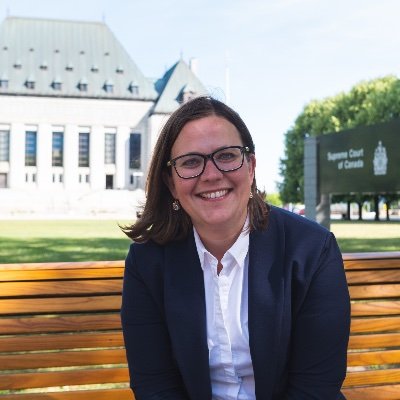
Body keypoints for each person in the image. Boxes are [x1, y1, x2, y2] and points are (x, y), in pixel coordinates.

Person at [121, 96, 351, 400]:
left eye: (227, 156)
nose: (212, 174)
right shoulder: (147, 262)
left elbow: (315, 388)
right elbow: (155, 387)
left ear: (251, 166)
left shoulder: (311, 250)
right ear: (171, 182)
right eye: (190, 162)